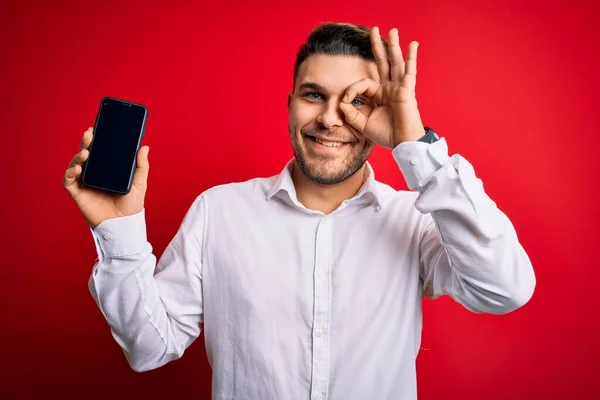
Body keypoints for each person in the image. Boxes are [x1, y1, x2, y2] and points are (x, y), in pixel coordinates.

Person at [62, 22, 536, 400]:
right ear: (290, 104)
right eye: (314, 95)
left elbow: (505, 288)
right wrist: (116, 229)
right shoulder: (218, 212)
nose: (331, 118)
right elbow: (149, 348)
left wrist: (416, 147)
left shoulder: (415, 219)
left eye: (358, 101)